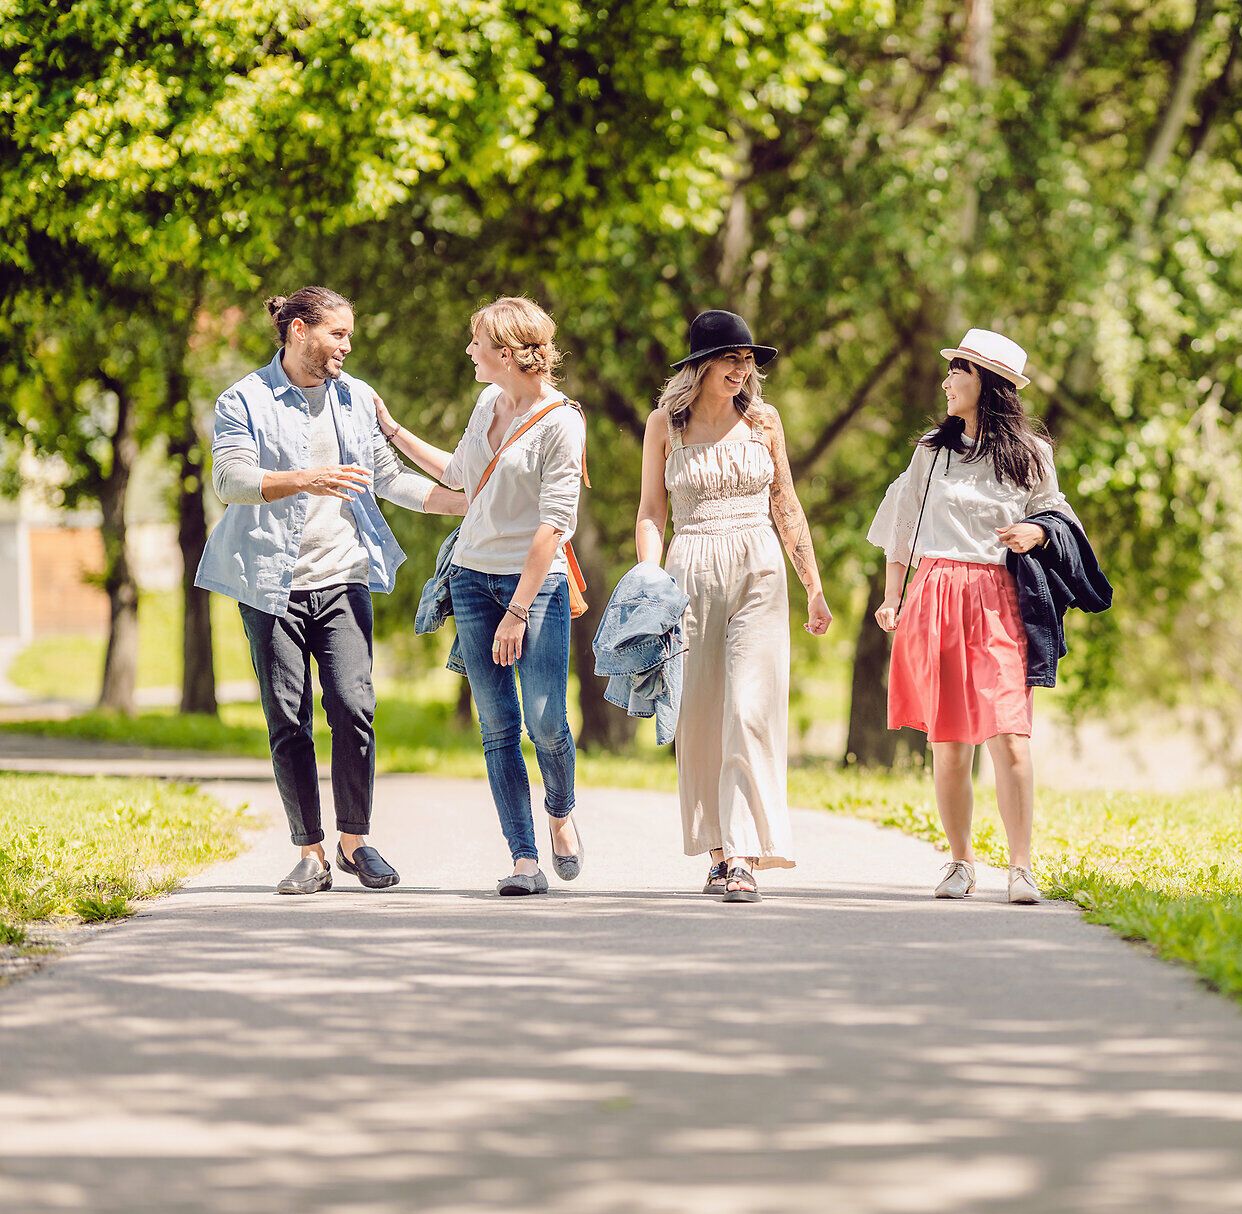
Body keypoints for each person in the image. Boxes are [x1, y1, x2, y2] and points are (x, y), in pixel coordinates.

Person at [197, 286, 466, 895]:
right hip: (270, 582)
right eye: (337, 333)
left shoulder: (356, 398)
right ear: (298, 330)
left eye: (349, 334)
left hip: (343, 573)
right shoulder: (245, 399)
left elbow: (386, 478)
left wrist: (460, 503)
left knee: (355, 706)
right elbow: (230, 479)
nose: (348, 345)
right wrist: (304, 479)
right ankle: (310, 852)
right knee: (288, 718)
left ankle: (354, 842)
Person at [372, 297, 587, 897]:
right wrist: (392, 435)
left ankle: (561, 813)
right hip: (470, 578)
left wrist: (518, 609)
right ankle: (523, 859)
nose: (469, 351)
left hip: (536, 586)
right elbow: (461, 478)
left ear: (511, 353)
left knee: (545, 720)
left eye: (478, 343)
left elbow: (553, 527)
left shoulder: (562, 423)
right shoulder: (486, 404)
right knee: (497, 726)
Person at [868, 328, 1080, 904]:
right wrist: (892, 596)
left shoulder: (1033, 455)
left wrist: (1034, 530)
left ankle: (1021, 868)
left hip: (999, 600)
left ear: (986, 383)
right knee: (950, 742)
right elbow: (902, 528)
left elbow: (1058, 519)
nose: (946, 382)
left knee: (1010, 736)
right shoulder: (930, 454)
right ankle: (959, 861)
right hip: (935, 594)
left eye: (957, 371)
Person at [631, 310, 831, 904]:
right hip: (689, 565)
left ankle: (744, 853)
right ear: (701, 365)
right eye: (733, 360)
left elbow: (787, 505)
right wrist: (647, 572)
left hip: (759, 566)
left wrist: (814, 586)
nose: (744, 372)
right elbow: (650, 510)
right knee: (701, 711)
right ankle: (717, 852)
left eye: (749, 362)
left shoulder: (765, 422)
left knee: (749, 708)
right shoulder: (664, 425)